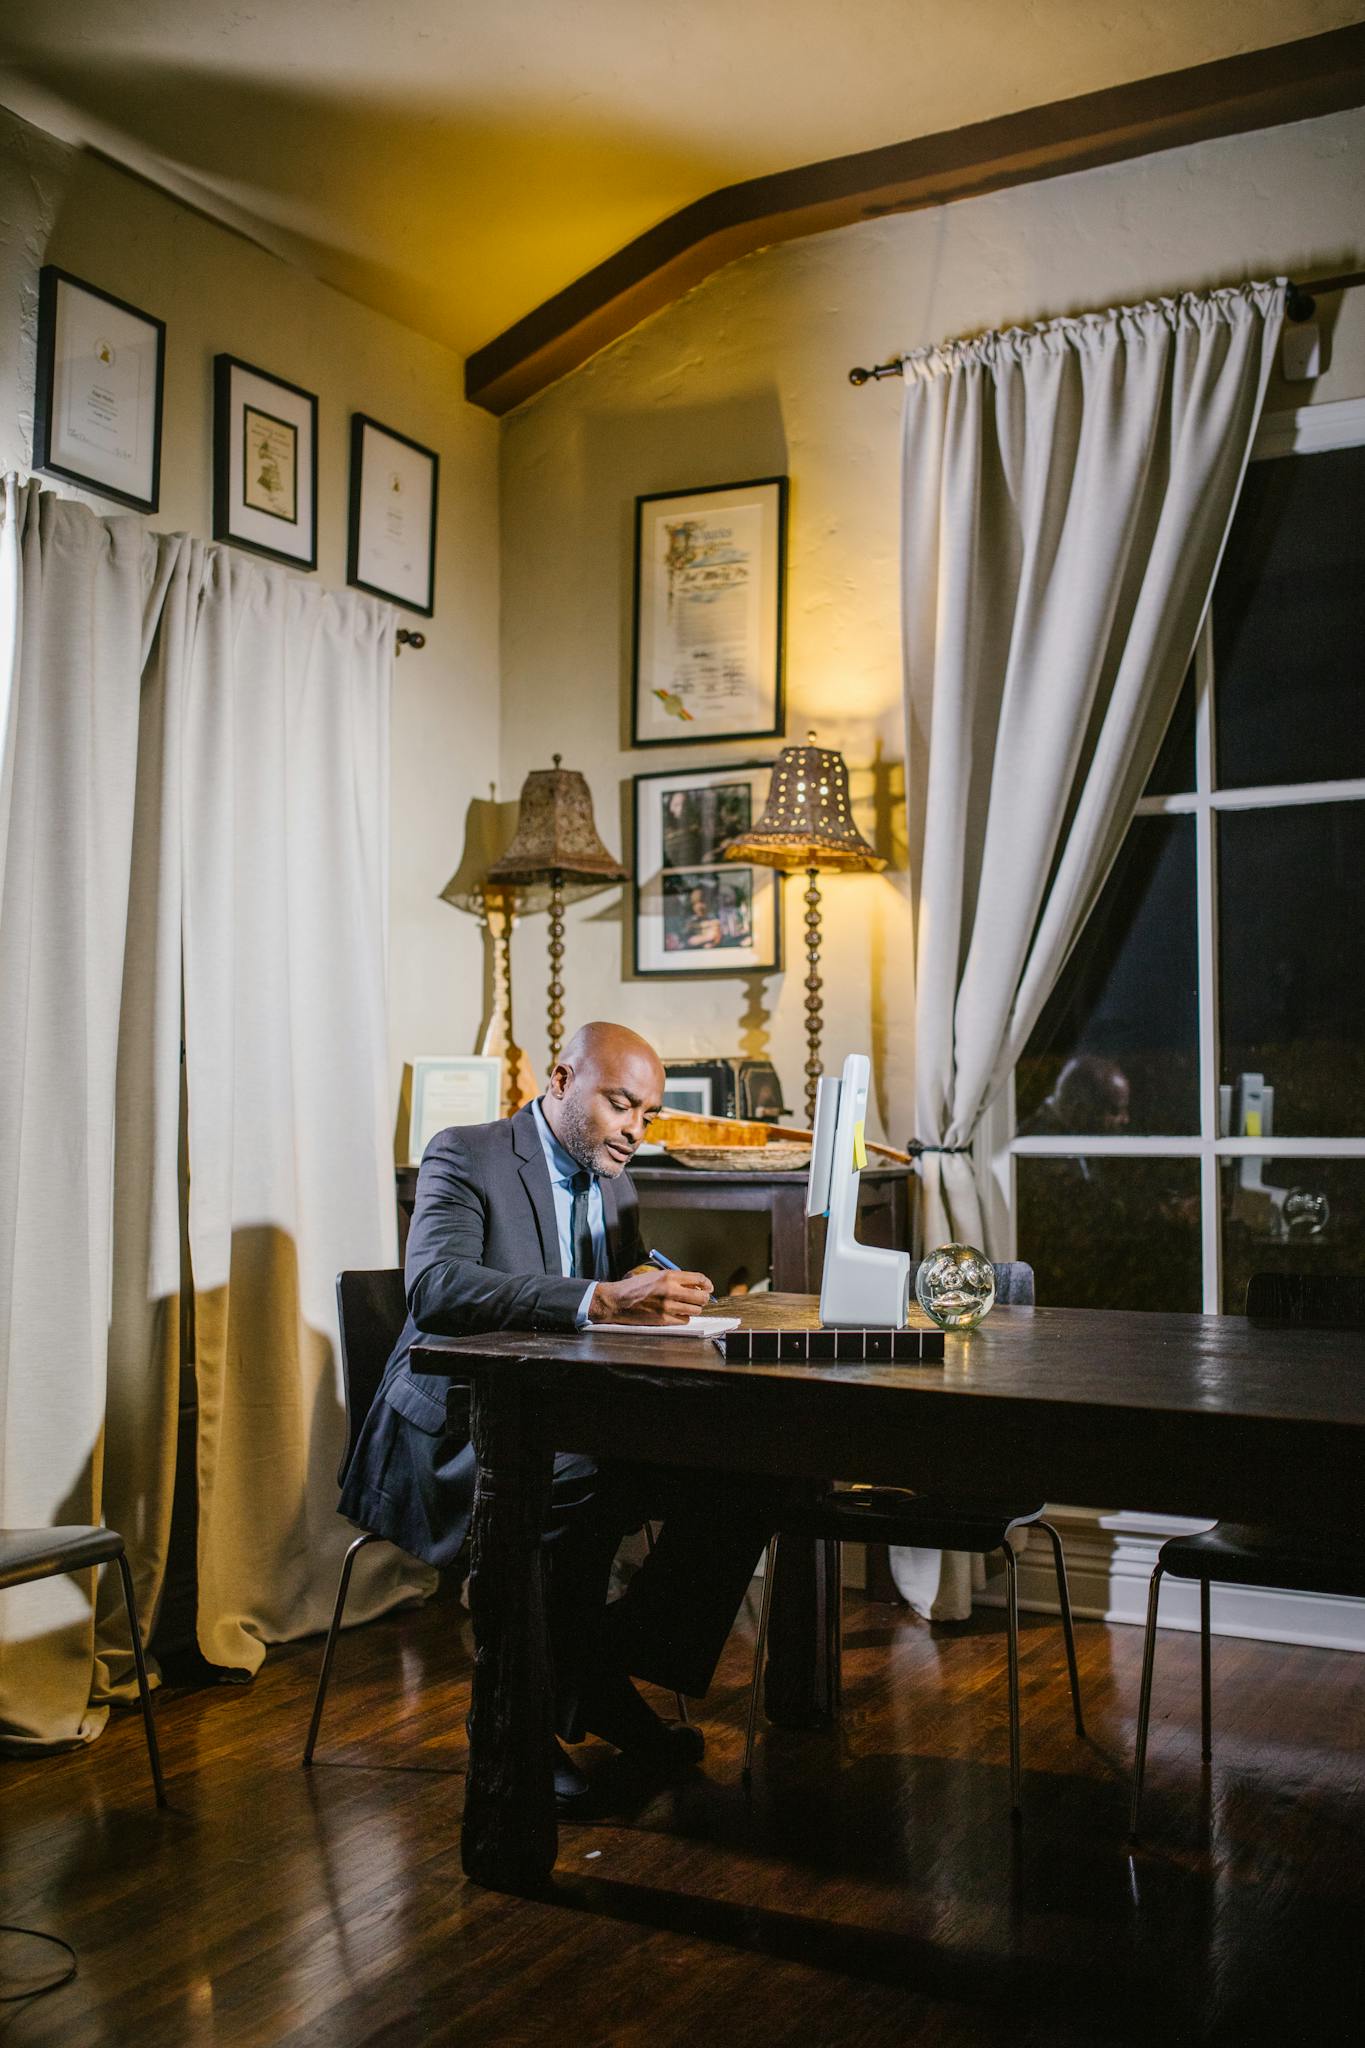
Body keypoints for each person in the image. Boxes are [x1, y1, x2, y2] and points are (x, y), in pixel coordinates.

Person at [340, 1021, 772, 1812]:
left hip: (569, 1413)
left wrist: (654, 1292)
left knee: (742, 1467)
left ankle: (587, 1672)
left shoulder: (617, 1181)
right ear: (562, 1079)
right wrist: (601, 1295)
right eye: (620, 1105)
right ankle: (516, 1712)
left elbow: (616, 1301)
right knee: (576, 1485)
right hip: (456, 1424)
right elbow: (434, 1287)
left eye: (647, 1114)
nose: (635, 1131)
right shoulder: (465, 1153)